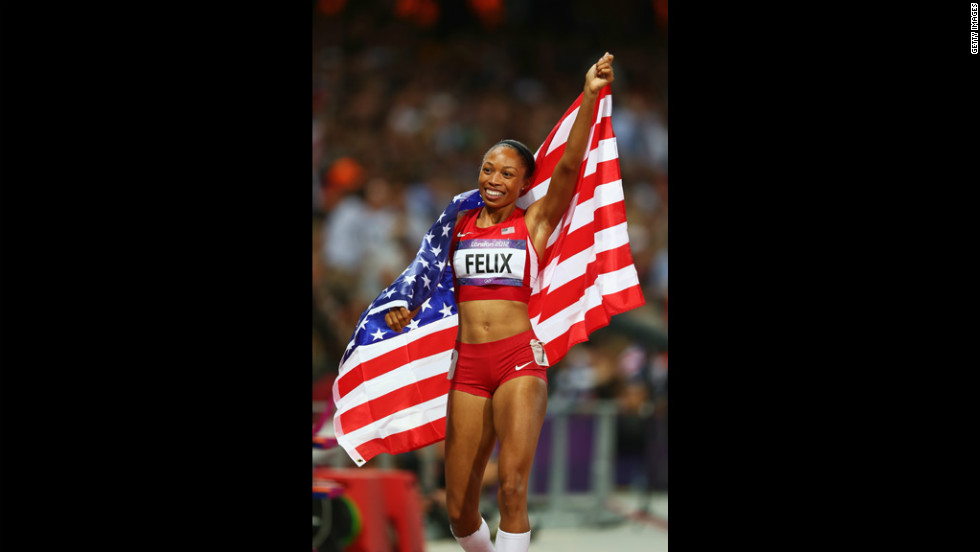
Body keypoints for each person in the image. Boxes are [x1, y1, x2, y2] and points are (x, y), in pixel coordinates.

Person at [384, 52, 616, 552]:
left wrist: (591, 97)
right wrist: (407, 306)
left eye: (507, 174)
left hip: (517, 361)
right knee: (459, 511)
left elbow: (571, 166)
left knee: (512, 488)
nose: (494, 179)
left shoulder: (533, 224)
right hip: (467, 366)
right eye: (488, 169)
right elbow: (425, 277)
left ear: (524, 183)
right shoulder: (457, 225)